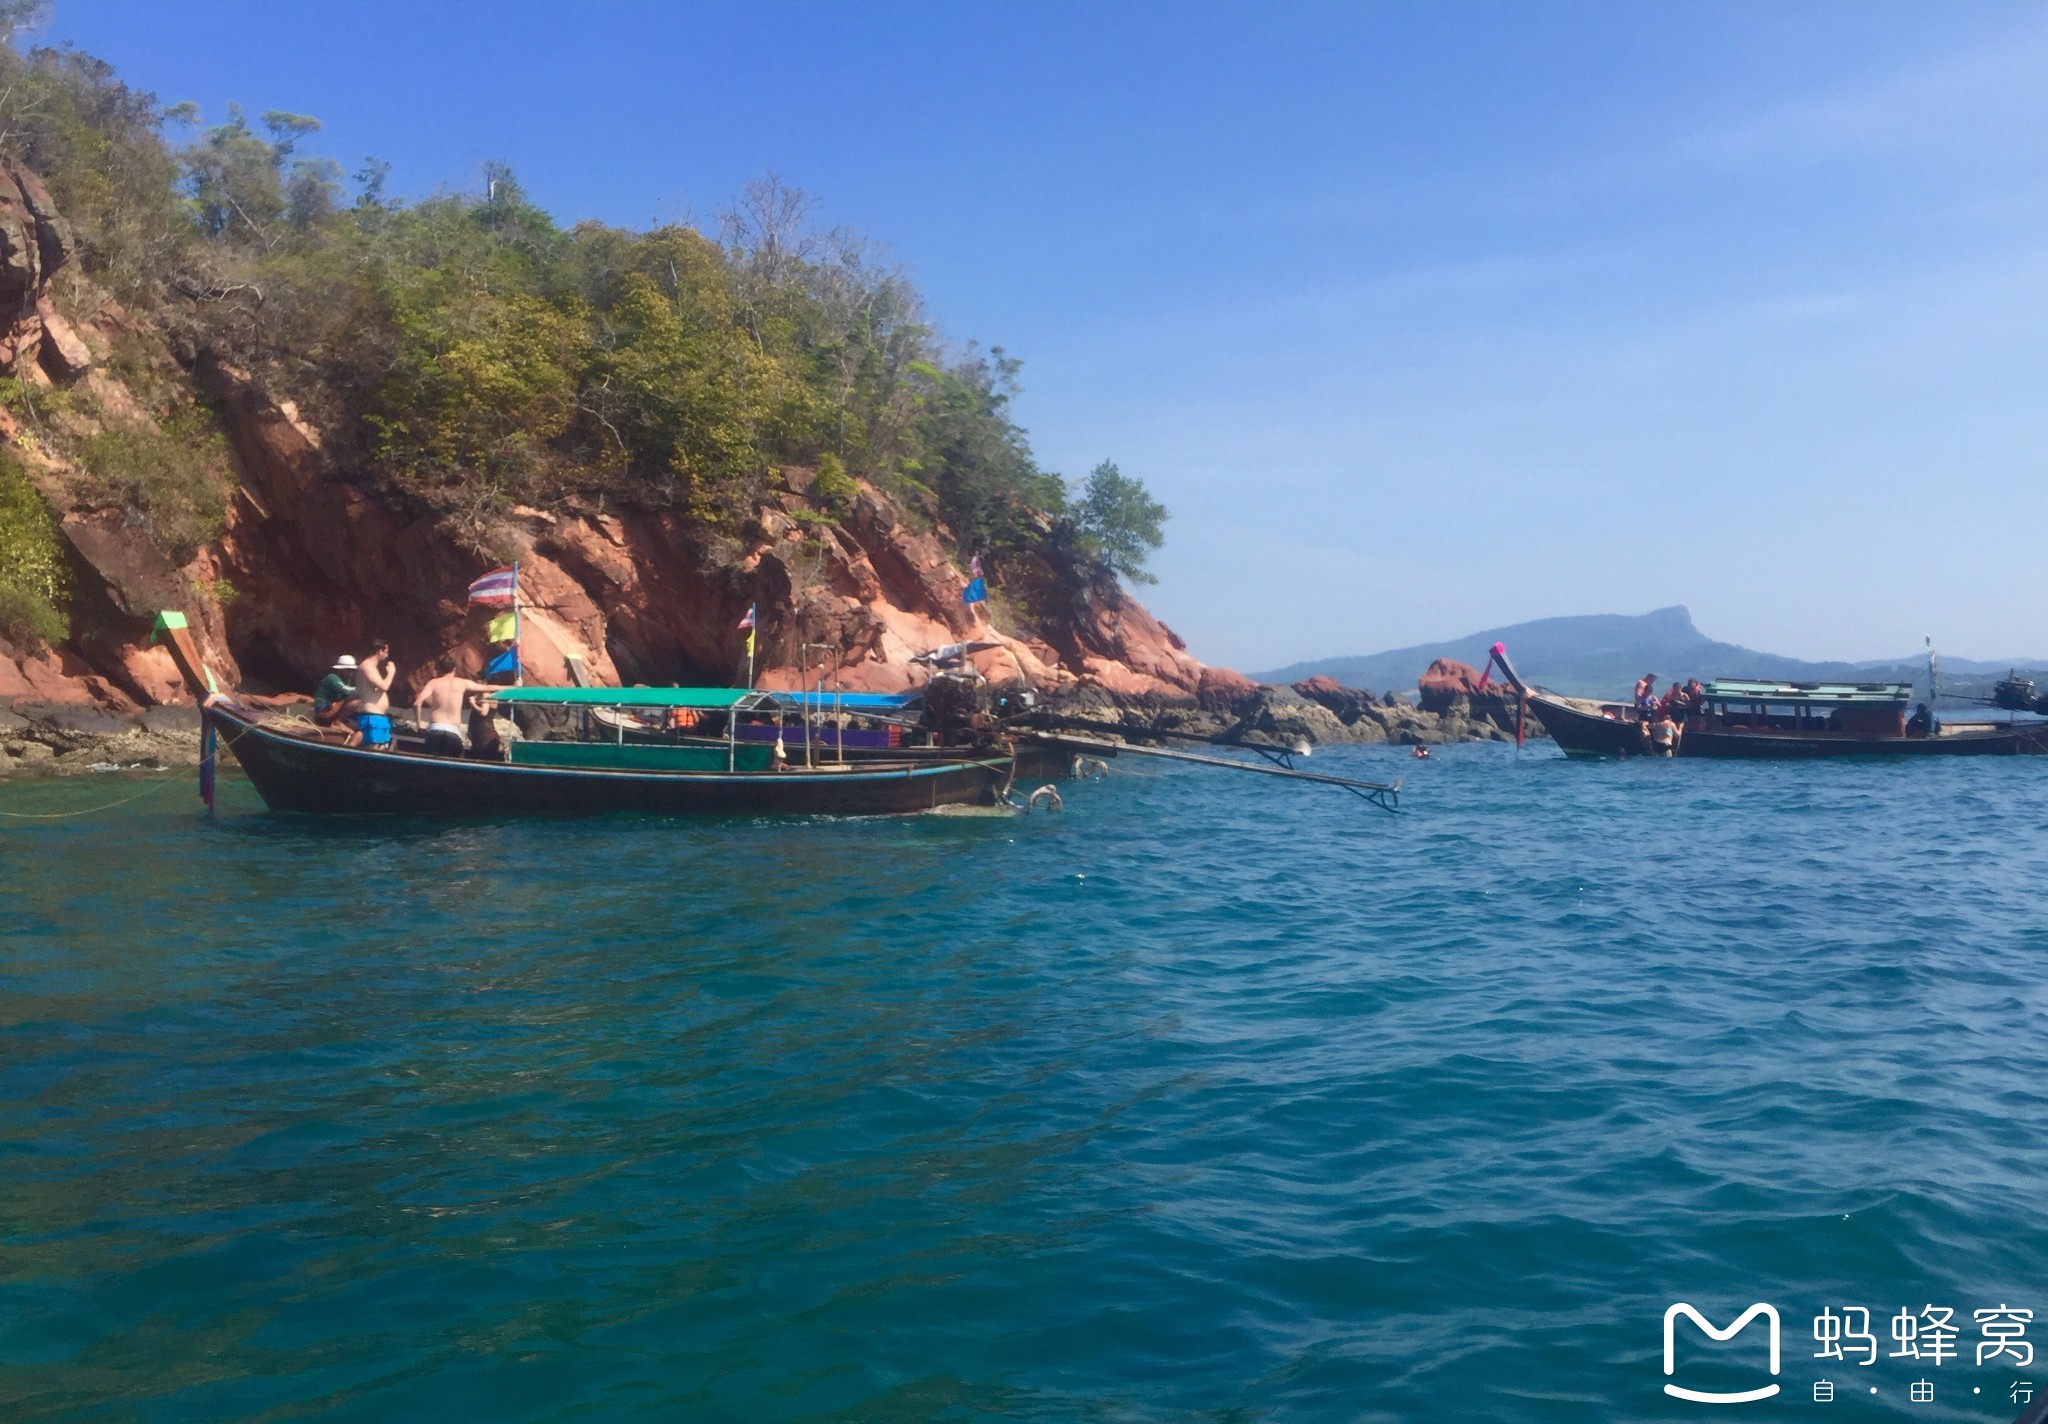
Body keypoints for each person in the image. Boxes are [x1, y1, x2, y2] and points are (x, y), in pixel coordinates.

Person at [414, 654, 497, 757]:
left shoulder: (433, 683)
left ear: (440, 669)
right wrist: (512, 686)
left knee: (432, 767)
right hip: (453, 732)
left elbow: (417, 703)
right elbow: (487, 688)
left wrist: (419, 724)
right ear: (454, 669)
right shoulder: (461, 683)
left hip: (435, 730)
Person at [355, 639, 397, 750]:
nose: (387, 656)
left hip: (379, 716)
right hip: (372, 716)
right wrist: (391, 673)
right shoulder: (367, 666)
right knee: (373, 748)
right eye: (386, 652)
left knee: (382, 747)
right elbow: (384, 686)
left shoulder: (373, 667)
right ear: (379, 651)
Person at [313, 654, 363, 744]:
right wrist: (363, 690)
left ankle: (343, 721)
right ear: (341, 669)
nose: (351, 673)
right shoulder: (332, 677)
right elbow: (346, 691)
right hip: (323, 709)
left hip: (334, 706)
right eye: (348, 670)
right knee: (355, 702)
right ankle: (337, 722)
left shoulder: (346, 680)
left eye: (352, 670)